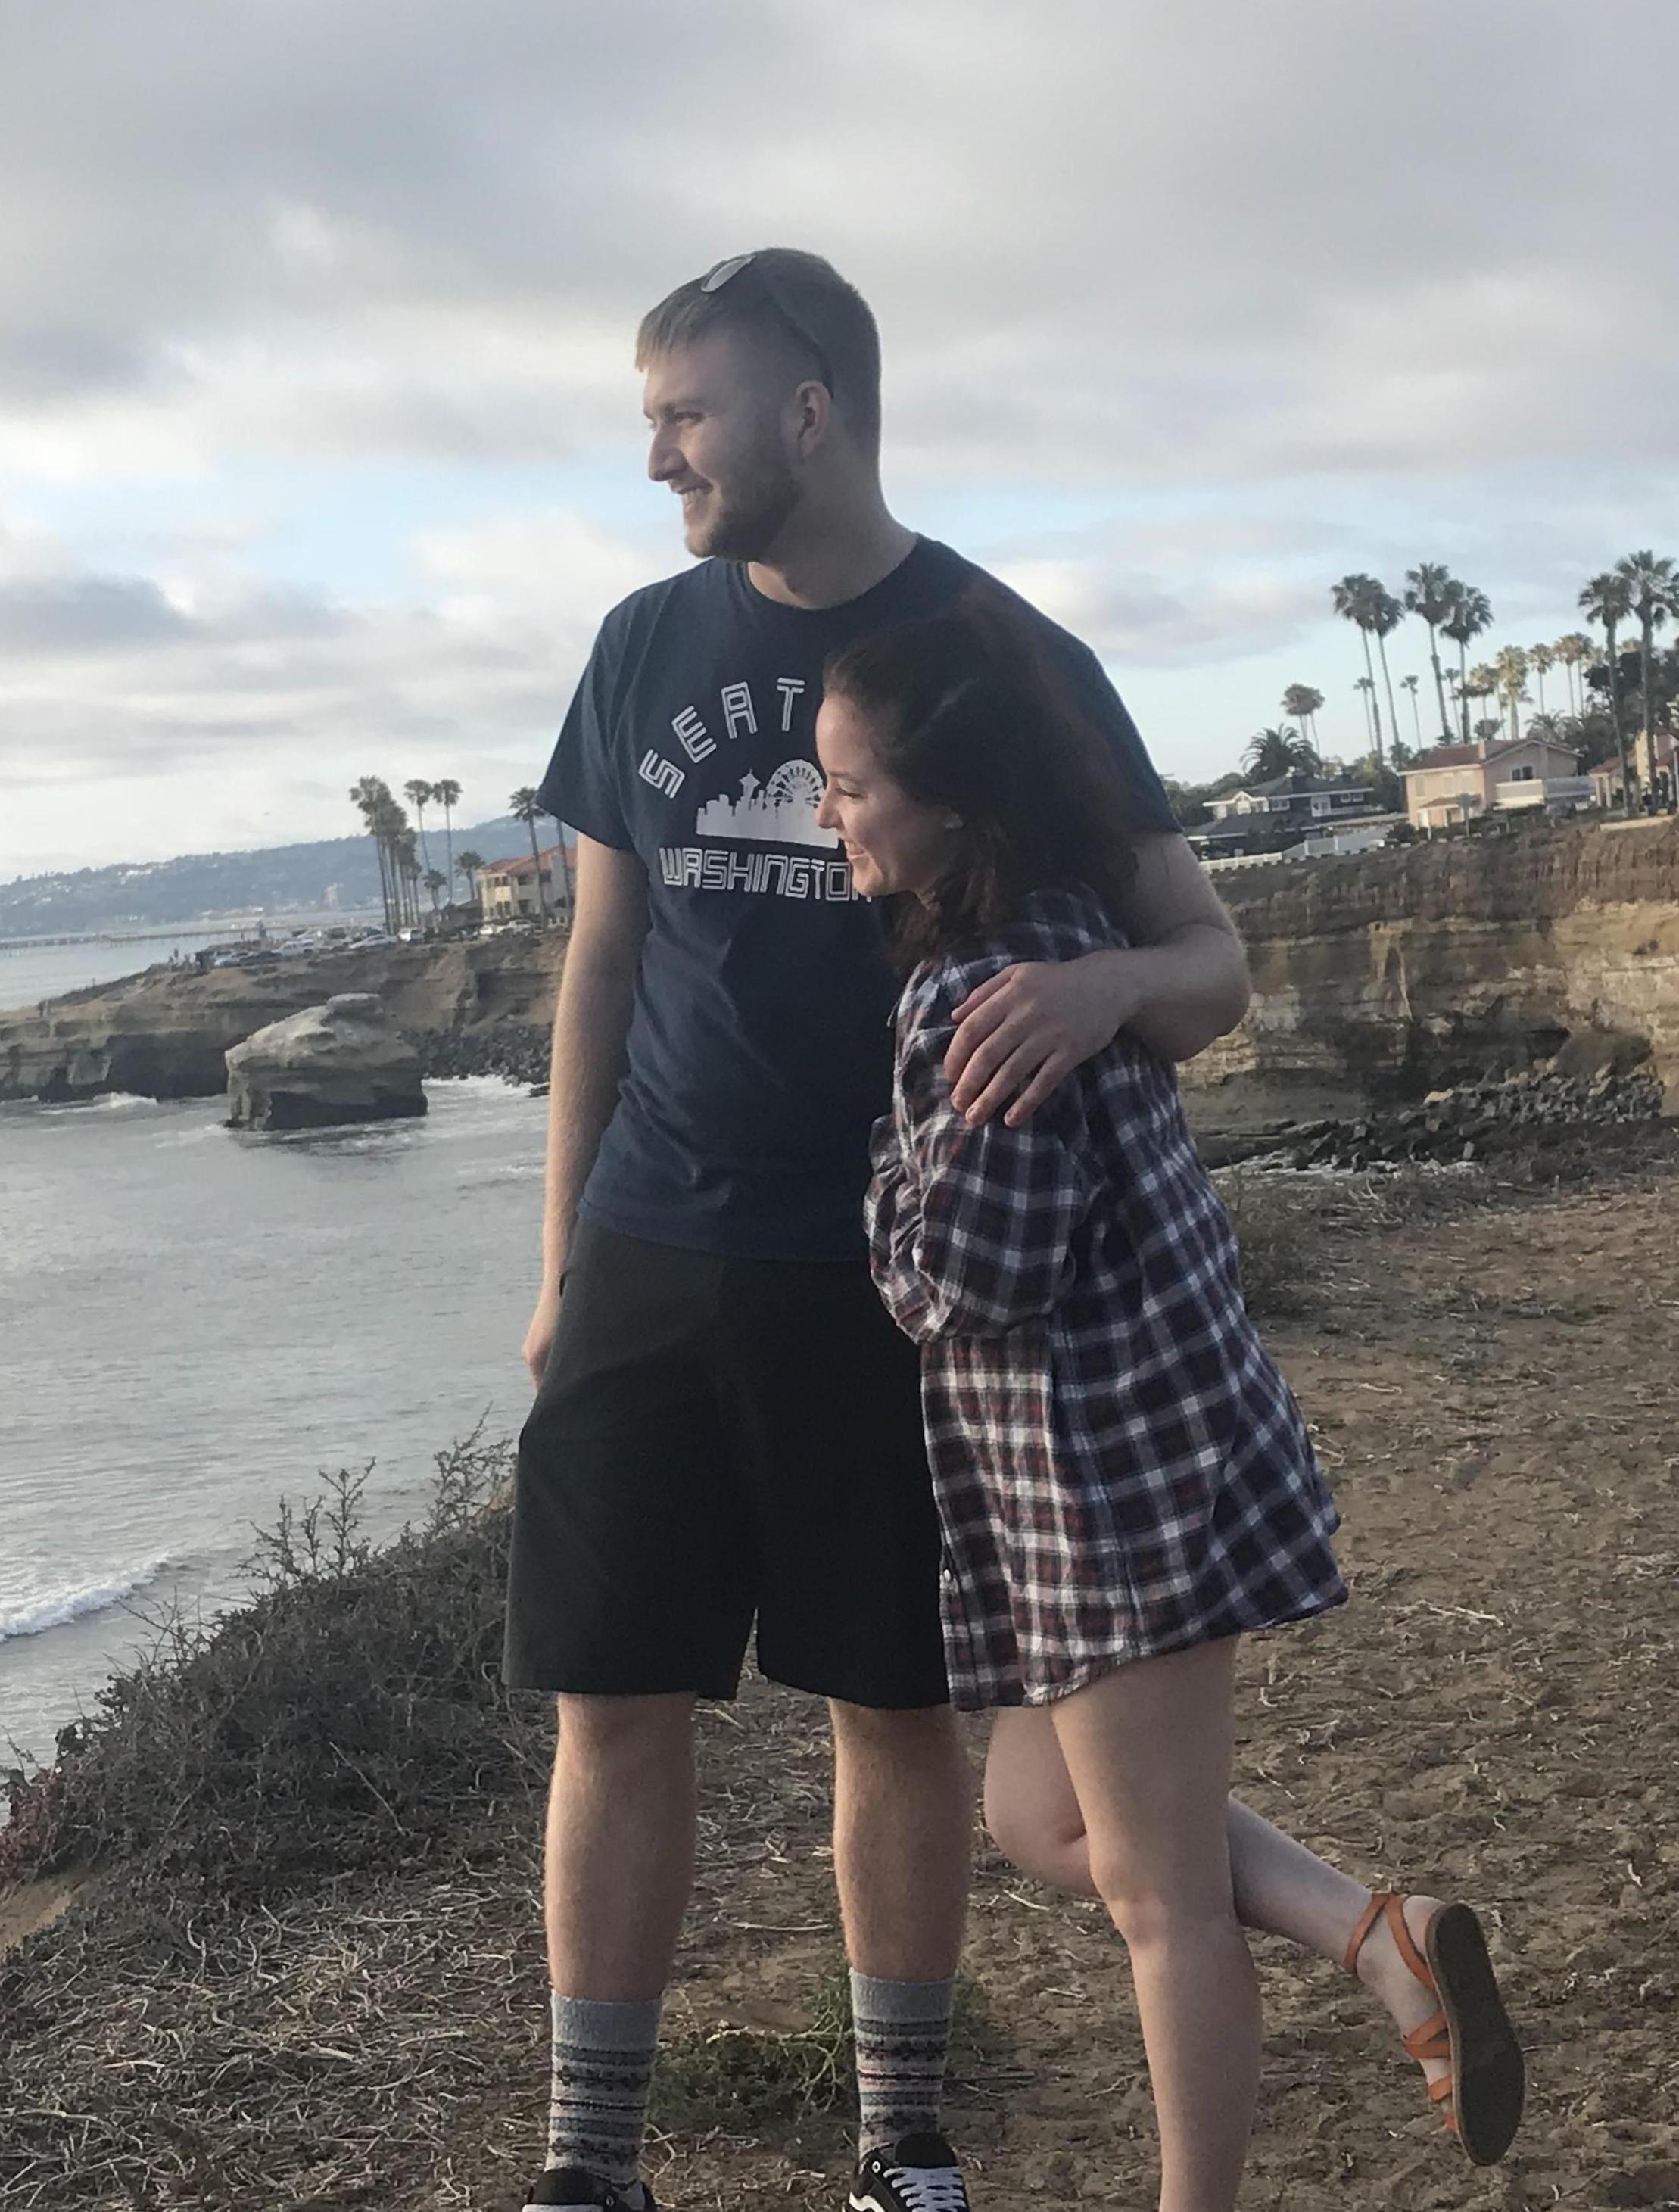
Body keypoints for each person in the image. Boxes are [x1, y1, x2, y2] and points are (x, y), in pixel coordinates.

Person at [504, 248, 1256, 2212]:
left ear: (808, 410)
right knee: (611, 1698)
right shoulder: (639, 642)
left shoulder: (1001, 659)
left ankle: (900, 2147)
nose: (655, 452)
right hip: (659, 1247)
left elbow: (1209, 958)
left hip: (907, 1282)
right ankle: (590, 2169)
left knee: (896, 1715)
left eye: (685, 413)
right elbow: (602, 965)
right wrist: (562, 1256)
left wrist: (1100, 997)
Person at [817, 599, 1526, 2210]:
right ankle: (1379, 1937)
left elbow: (974, 1276)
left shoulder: (977, 993)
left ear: (954, 802)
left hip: (1100, 1479)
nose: (832, 819)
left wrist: (869, 1202)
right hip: (1134, 1456)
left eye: (852, 788)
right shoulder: (1072, 933)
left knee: (1157, 1905)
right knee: (1033, 1814)